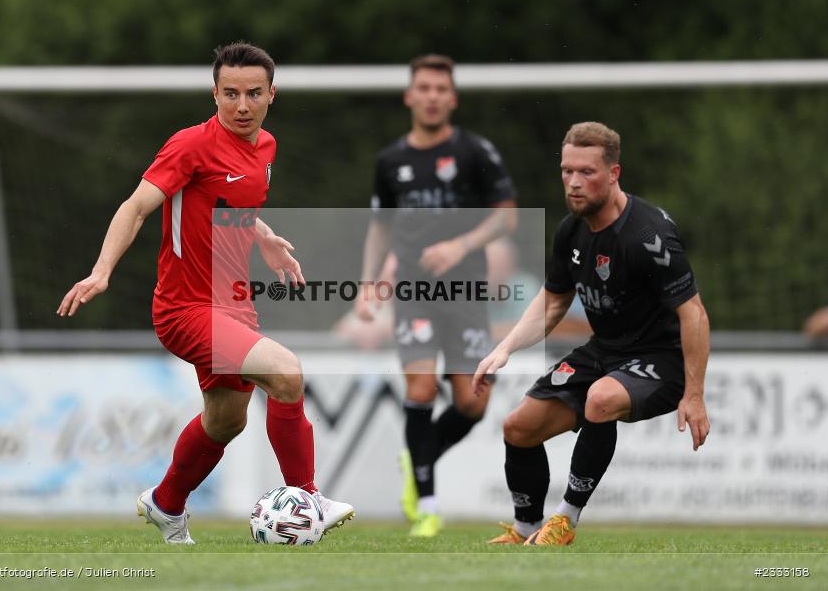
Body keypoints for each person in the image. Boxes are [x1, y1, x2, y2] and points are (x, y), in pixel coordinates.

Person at [57, 42, 354, 544]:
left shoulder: (266, 148)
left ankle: (165, 502)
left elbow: (227, 201)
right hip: (185, 308)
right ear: (214, 94)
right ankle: (308, 498)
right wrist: (102, 270)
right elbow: (135, 208)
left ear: (271, 95)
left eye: (253, 93)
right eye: (231, 93)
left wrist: (266, 240)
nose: (242, 105)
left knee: (226, 420)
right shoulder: (189, 145)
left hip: (233, 304)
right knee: (286, 373)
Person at [474, 122, 710, 546]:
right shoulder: (571, 230)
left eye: (587, 172)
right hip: (603, 352)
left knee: (601, 398)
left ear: (614, 173)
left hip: (660, 358)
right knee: (518, 427)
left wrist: (693, 394)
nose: (574, 182)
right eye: (567, 171)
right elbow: (552, 303)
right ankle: (526, 528)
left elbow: (693, 314)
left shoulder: (650, 235)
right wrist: (504, 348)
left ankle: (564, 522)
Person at [357, 54, 518, 537]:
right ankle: (427, 504)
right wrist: (368, 284)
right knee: (422, 389)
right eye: (423, 88)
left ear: (452, 98)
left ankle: (418, 459)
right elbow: (379, 228)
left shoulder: (475, 153)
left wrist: (461, 244)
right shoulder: (391, 162)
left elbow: (507, 216)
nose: (431, 97)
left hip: (467, 292)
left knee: (472, 403)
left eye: (440, 89)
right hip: (414, 293)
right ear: (410, 96)